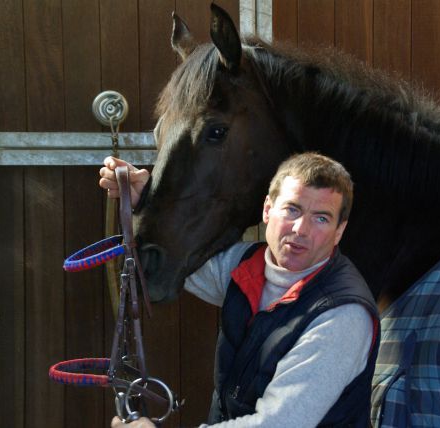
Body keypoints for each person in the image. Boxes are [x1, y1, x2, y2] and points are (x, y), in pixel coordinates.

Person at [100, 153, 379, 427]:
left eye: (321, 219)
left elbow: (279, 424)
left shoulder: (343, 315)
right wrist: (148, 202)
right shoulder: (246, 265)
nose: (301, 229)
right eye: (292, 209)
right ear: (267, 210)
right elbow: (181, 260)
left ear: (339, 231)